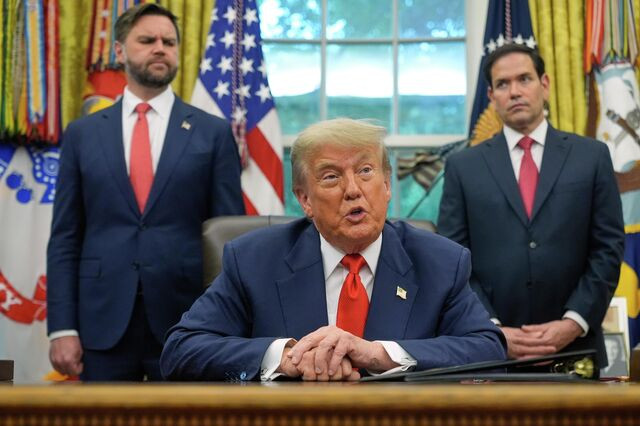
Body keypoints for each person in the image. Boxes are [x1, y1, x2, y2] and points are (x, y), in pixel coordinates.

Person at [160, 118, 506, 382]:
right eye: (331, 177)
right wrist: (286, 357)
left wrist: (378, 354)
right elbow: (181, 349)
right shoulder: (254, 260)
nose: (353, 189)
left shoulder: (440, 261)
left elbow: (488, 349)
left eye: (366, 171)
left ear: (387, 185)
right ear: (305, 200)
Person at [47, 3, 245, 381]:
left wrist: (227, 324)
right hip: (100, 323)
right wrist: (62, 328)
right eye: (147, 40)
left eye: (169, 42)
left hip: (189, 323)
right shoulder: (83, 134)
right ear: (119, 51)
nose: (160, 49)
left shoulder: (212, 133)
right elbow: (65, 237)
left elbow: (227, 241)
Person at [438, 43, 625, 367]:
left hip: (576, 351)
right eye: (503, 84)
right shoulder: (462, 167)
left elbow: (608, 247)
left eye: (524, 79)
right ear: (491, 96)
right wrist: (491, 330)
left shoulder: (591, 156)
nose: (514, 92)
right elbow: (453, 259)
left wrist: (573, 322)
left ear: (545, 84)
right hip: (490, 354)